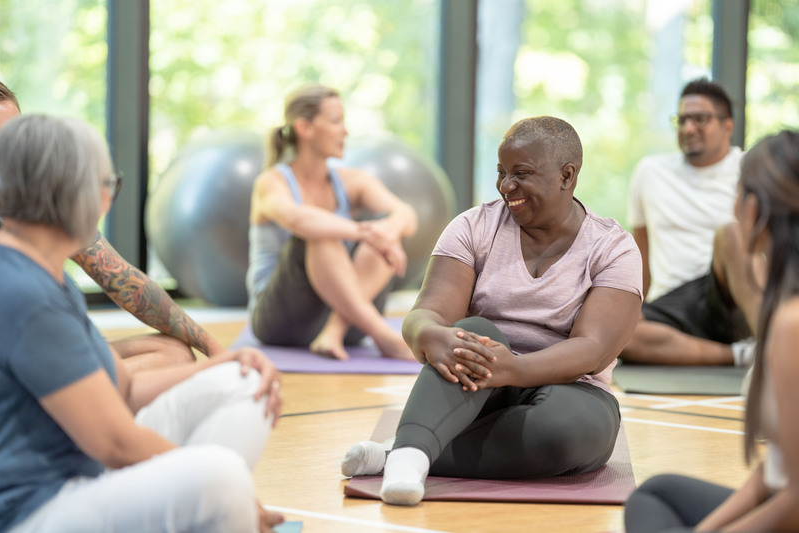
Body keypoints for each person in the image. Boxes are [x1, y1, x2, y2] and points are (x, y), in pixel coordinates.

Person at [0, 114, 284, 532]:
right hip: (36, 511)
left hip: (81, 472)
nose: (107, 201)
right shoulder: (23, 290)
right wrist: (234, 490)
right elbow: (114, 443)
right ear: (70, 193)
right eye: (106, 186)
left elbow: (125, 390)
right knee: (221, 477)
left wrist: (225, 359)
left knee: (242, 383)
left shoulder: (49, 274)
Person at [340, 116, 643, 505]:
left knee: (566, 433)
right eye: (501, 173)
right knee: (474, 329)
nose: (506, 186)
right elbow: (426, 313)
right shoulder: (472, 226)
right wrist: (429, 335)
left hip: (572, 387)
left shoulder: (613, 248)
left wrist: (514, 369)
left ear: (567, 176)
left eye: (522, 173)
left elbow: (594, 349)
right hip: (478, 378)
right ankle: (410, 457)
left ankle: (397, 452)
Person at [624, 129, 799, 532]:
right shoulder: (783, 305)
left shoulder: (790, 324)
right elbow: (775, 475)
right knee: (656, 494)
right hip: (686, 305)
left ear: (753, 209)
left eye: (735, 193)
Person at [0, 79, 229, 373]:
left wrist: (215, 350)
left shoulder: (41, 205)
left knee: (175, 353)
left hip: (42, 357)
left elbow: (125, 281)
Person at [246, 84, 418, 361]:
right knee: (320, 231)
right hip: (280, 322)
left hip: (346, 320)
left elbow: (406, 214)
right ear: (305, 128)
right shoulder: (271, 183)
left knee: (387, 230)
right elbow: (298, 219)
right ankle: (387, 338)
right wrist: (366, 234)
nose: (345, 131)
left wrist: (385, 233)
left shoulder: (352, 180)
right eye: (336, 121)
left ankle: (334, 330)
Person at [621, 77, 760, 366]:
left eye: (700, 119)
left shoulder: (750, 169)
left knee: (731, 235)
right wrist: (631, 310)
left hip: (729, 294)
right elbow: (640, 257)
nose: (688, 128)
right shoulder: (650, 172)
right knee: (615, 332)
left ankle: (769, 343)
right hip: (672, 303)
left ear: (728, 126)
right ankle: (740, 355)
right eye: (682, 120)